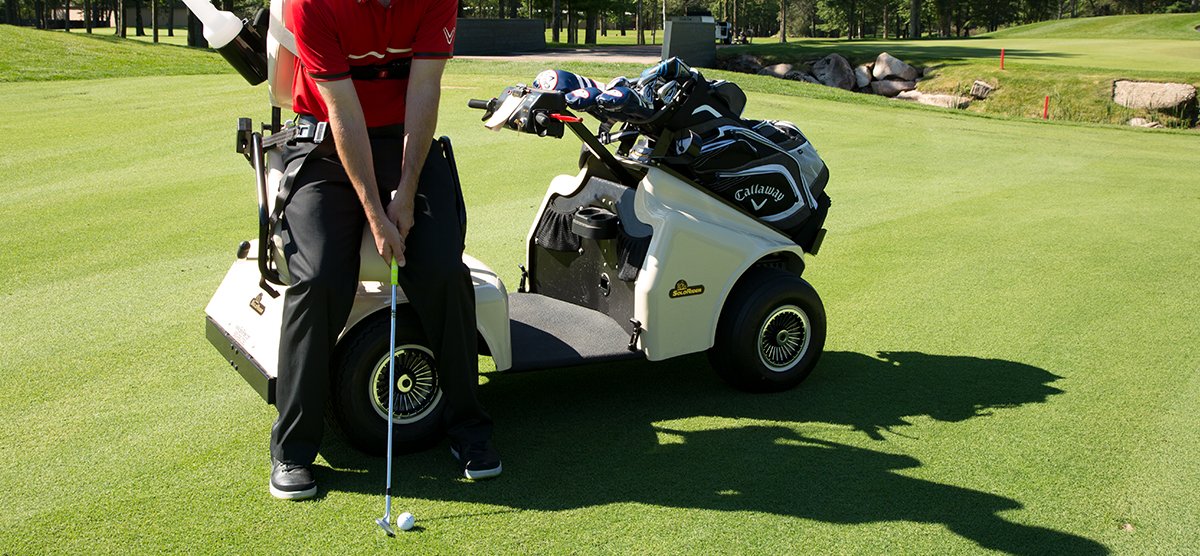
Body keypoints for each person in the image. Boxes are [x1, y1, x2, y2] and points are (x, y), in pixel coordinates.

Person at [267, 0, 500, 501]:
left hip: (403, 142)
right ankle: (293, 448)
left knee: (441, 268)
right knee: (321, 275)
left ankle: (468, 430)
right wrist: (375, 211)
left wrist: (408, 191)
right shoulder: (311, 3)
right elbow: (342, 108)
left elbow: (424, 89)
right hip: (324, 142)